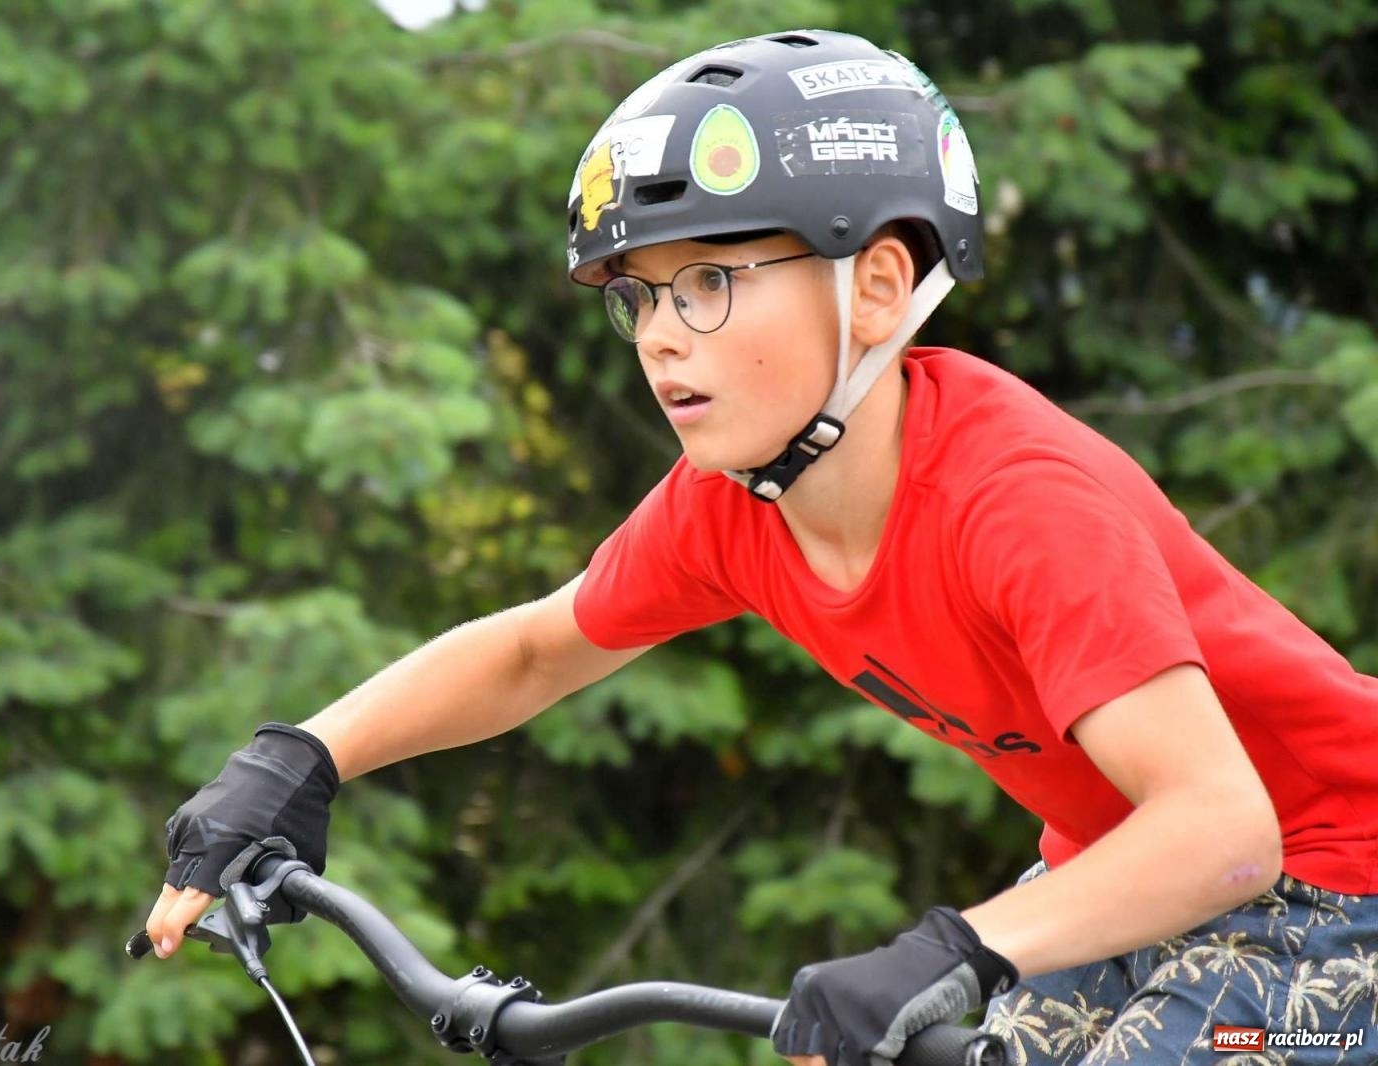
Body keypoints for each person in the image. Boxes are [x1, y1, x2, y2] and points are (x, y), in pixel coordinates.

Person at [146, 29, 1378, 1066]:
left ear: (877, 286)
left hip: (1339, 883)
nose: (659, 336)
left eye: (709, 281)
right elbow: (537, 650)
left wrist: (953, 945)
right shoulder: (732, 503)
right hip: (1120, 875)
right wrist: (300, 757)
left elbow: (1224, 830)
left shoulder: (1018, 500)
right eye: (639, 296)